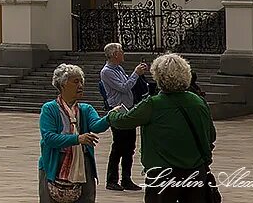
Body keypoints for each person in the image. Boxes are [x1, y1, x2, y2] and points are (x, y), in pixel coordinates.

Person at [108, 52, 218, 203]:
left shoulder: (153, 104)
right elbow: (211, 135)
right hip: (195, 170)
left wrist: (113, 114)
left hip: (162, 173)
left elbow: (123, 121)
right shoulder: (198, 101)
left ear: (158, 77)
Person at [39, 63, 119, 203]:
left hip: (83, 162)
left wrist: (110, 117)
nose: (81, 85)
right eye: (76, 81)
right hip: (55, 162)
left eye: (82, 81)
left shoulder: (85, 109)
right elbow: (49, 138)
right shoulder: (49, 109)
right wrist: (77, 139)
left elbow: (96, 126)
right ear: (63, 85)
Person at [100, 42, 150, 192]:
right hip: (117, 111)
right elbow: (123, 87)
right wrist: (135, 73)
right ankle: (111, 179)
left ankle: (126, 179)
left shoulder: (118, 68)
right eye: (121, 51)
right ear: (115, 54)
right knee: (118, 146)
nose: (123, 53)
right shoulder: (107, 71)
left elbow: (127, 85)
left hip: (127, 110)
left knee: (129, 146)